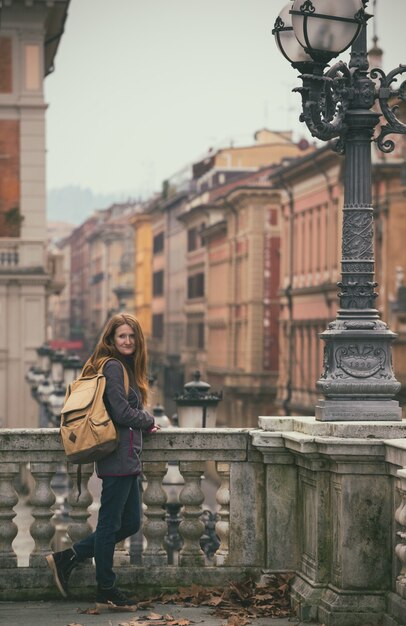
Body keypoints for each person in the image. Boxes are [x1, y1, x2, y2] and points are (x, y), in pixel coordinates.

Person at [46, 313, 159, 607]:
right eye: (122, 336)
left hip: (128, 457)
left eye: (132, 336)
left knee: (131, 522)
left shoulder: (123, 367)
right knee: (110, 524)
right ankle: (106, 588)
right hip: (117, 456)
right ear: (111, 339)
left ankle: (68, 557)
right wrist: (147, 420)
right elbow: (121, 412)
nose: (128, 341)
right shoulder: (112, 366)